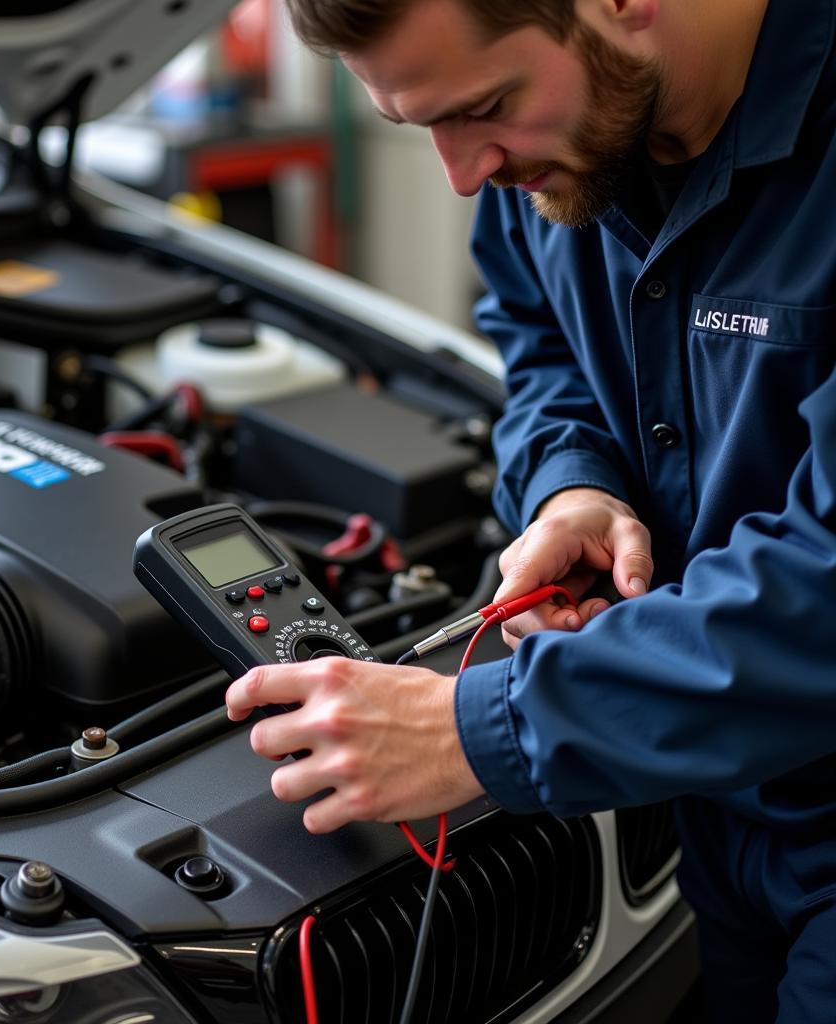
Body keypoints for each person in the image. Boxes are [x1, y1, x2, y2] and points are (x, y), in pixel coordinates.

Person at [224, 1, 836, 1019]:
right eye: (421, 126)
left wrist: (479, 729)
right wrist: (572, 480)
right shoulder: (567, 143)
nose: (464, 173)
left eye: (485, 106)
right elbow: (536, 338)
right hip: (712, 805)